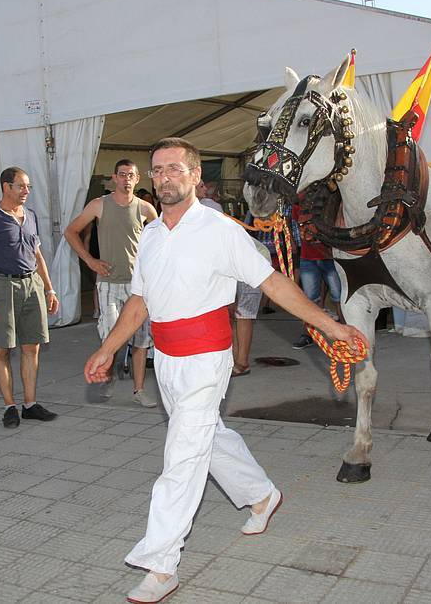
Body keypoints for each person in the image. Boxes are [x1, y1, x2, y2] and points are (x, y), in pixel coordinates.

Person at [83, 138, 366, 603]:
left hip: (206, 359)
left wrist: (330, 325)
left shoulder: (220, 230)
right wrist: (107, 349)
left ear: (196, 176)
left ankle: (160, 564)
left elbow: (273, 282)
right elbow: (139, 302)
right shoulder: (150, 234)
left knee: (182, 457)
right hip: (167, 360)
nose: (164, 177)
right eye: (158, 170)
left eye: (175, 168)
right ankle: (262, 495)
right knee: (206, 438)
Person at [65, 159, 160, 408]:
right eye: (122, 174)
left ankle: (139, 390)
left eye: (131, 175)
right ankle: (107, 378)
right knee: (110, 337)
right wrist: (90, 261)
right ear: (114, 178)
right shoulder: (99, 205)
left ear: (137, 179)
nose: (126, 179)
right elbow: (71, 231)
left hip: (137, 286)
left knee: (140, 340)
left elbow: (161, 242)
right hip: (108, 283)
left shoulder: (146, 209)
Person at [0, 166, 60, 428]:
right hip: (2, 286)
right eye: (21, 186)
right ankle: (9, 407)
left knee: (32, 346)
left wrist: (49, 289)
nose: (26, 191)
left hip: (31, 284)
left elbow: (38, 255)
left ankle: (30, 405)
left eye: (28, 186)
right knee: (3, 349)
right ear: (6, 187)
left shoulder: (30, 216)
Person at [292, 203, 343, 349]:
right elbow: (294, 225)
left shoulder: (329, 199)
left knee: (339, 296)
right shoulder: (298, 203)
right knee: (310, 299)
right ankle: (308, 334)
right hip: (308, 257)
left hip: (329, 256)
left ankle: (344, 333)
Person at [231, 237, 272, 377]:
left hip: (254, 262)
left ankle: (242, 363)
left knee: (243, 313)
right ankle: (233, 359)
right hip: (232, 266)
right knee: (230, 312)